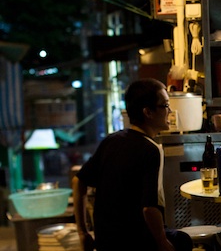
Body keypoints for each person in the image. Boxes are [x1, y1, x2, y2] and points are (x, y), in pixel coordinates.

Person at [72, 79, 193, 251]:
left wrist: (83, 233)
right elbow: (149, 208)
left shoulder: (111, 140)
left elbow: (78, 181)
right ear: (148, 112)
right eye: (165, 105)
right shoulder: (151, 149)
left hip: (105, 242)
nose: (170, 111)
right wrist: (162, 243)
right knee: (183, 241)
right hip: (134, 242)